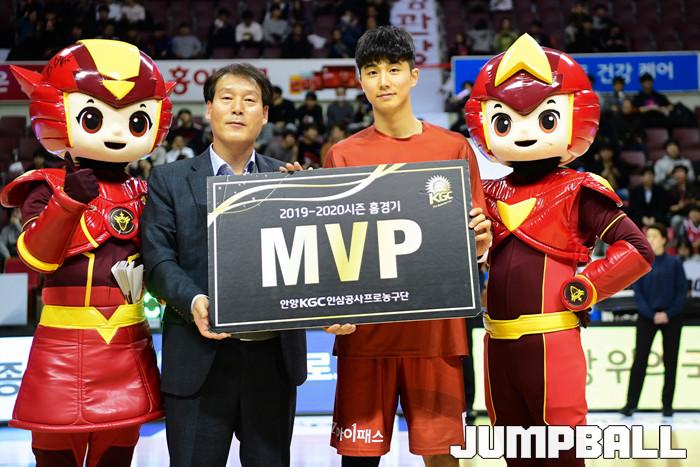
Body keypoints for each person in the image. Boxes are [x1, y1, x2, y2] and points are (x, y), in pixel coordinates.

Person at [464, 34, 653, 465]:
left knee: (562, 447)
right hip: (496, 341)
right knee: (513, 448)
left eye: (544, 117)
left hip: (553, 339)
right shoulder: (486, 193)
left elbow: (638, 249)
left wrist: (587, 286)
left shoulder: (579, 190)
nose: (523, 131)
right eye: (506, 120)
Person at [323, 26, 492, 467]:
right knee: (358, 459)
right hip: (365, 336)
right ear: (360, 81)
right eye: (372, 71)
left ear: (414, 75)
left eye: (394, 69)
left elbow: (476, 239)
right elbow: (333, 251)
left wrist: (481, 241)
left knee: (442, 457)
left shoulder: (453, 148)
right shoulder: (341, 155)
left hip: (436, 333)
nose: (384, 81)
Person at [1, 39, 173, 467]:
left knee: (117, 453)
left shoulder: (147, 192)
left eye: (135, 120)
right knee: (55, 452)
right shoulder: (46, 185)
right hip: (62, 345)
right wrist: (68, 202)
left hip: (128, 341)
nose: (115, 132)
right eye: (94, 117)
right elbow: (36, 258)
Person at [141, 63, 307, 467]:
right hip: (198, 358)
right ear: (208, 109)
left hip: (272, 362)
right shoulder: (169, 179)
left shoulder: (289, 179)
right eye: (227, 98)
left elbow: (310, 264)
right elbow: (159, 260)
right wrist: (194, 301)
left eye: (249, 101)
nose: (237, 108)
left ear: (264, 115)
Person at [622, 224, 686, 417]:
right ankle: (630, 404)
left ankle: (667, 405)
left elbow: (681, 292)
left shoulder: (675, 263)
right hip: (646, 317)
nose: (650, 239)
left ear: (664, 239)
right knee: (639, 361)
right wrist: (651, 314)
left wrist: (668, 313)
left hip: (671, 318)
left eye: (654, 236)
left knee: (670, 362)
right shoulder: (642, 261)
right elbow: (638, 293)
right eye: (647, 236)